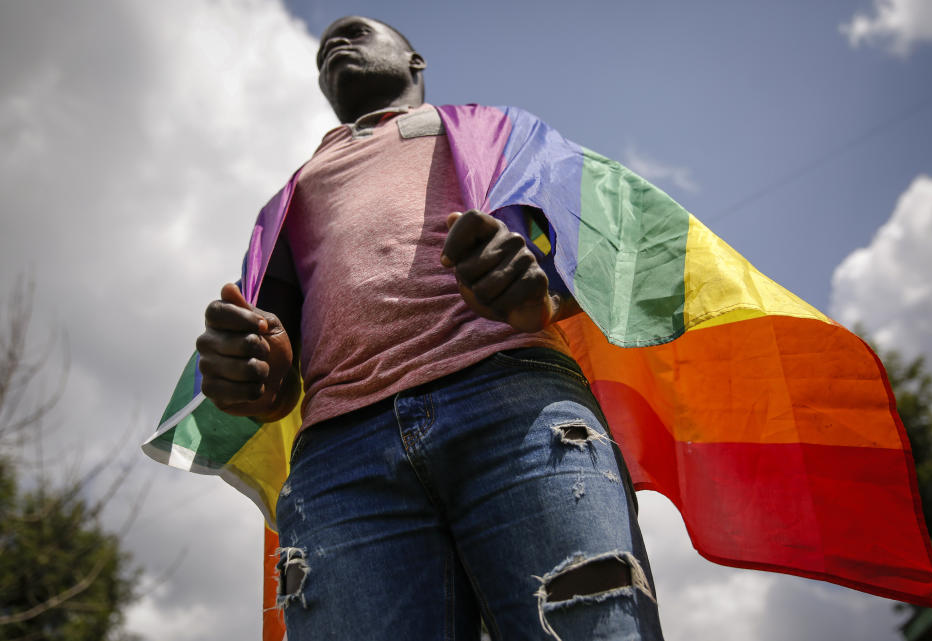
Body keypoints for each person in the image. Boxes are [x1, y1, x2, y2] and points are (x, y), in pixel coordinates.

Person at [194, 15, 665, 641]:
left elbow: (613, 243)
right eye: (326, 45)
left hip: (514, 405)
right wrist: (252, 373)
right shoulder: (288, 198)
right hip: (340, 456)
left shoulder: (497, 130)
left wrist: (540, 289)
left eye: (359, 30)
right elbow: (274, 358)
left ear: (416, 63)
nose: (335, 39)